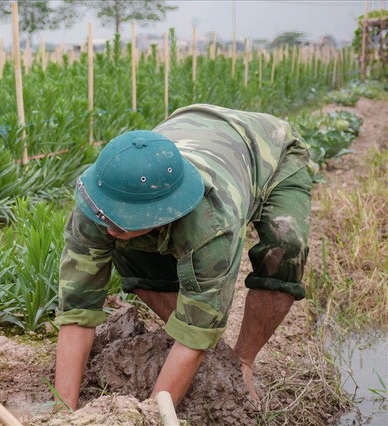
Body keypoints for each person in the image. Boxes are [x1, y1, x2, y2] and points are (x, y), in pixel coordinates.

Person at [53, 103, 312, 410]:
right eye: (106, 214)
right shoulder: (96, 205)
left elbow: (195, 333)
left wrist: (151, 416)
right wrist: (62, 411)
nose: (108, 225)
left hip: (270, 150)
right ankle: (215, 357)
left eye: (123, 218)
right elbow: (77, 311)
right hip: (186, 126)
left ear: (162, 214)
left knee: (285, 248)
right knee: (134, 255)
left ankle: (241, 362)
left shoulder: (211, 226)